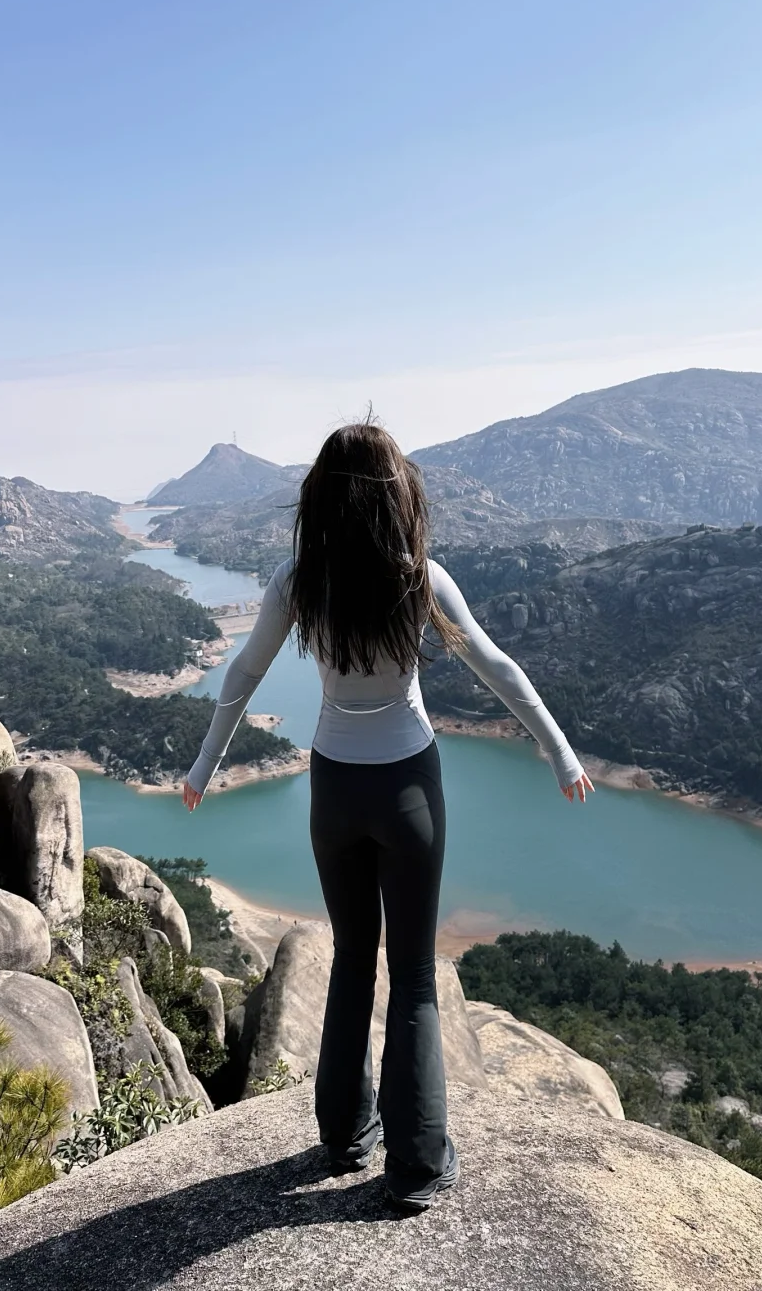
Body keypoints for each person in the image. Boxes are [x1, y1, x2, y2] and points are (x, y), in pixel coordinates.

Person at [181, 420, 593, 1213]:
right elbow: (498, 665)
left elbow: (243, 672)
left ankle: (342, 1136)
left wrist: (204, 767)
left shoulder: (298, 580)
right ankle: (417, 1166)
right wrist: (560, 752)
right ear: (398, 492)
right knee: (412, 981)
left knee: (349, 963)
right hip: (409, 788)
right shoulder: (420, 580)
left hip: (333, 790)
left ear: (319, 499)